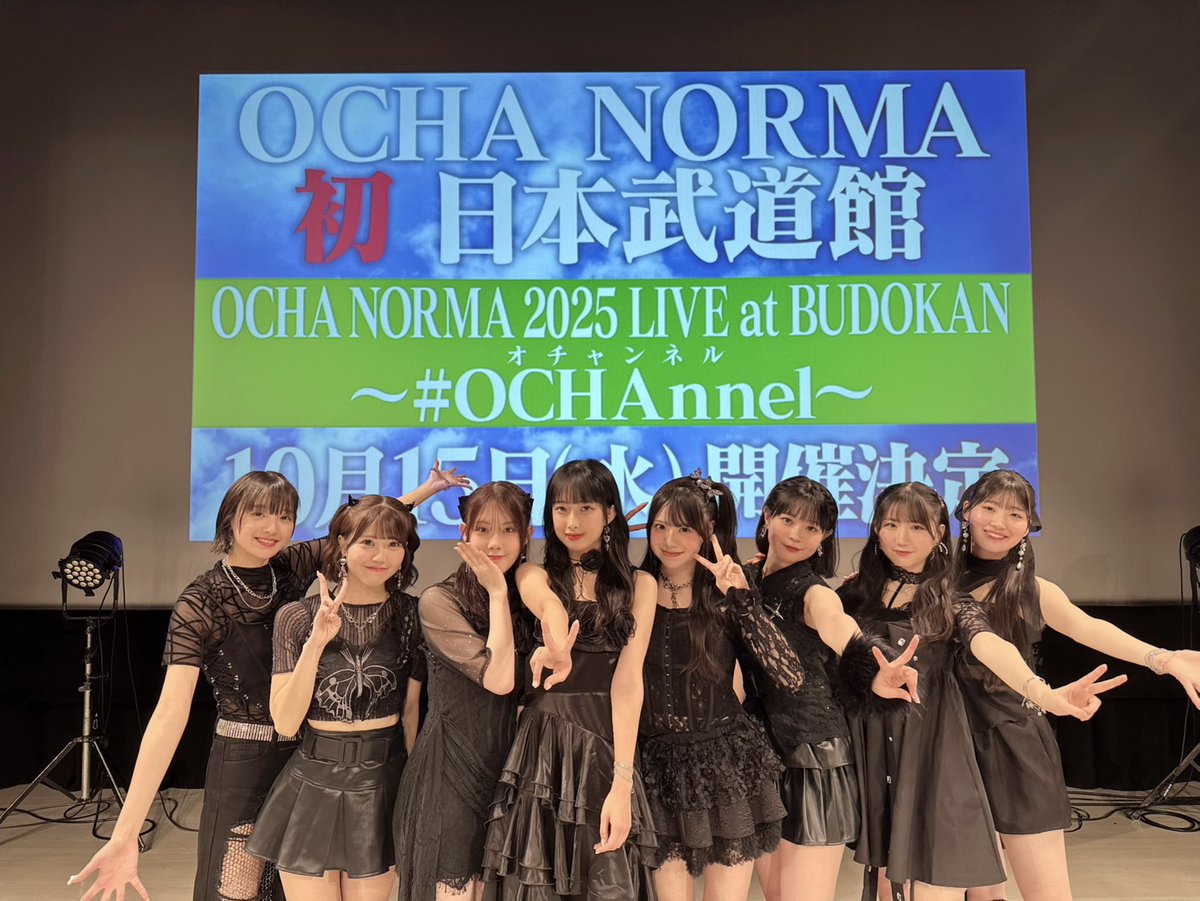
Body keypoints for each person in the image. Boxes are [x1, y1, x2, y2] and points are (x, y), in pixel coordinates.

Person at [68, 465, 467, 901]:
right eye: (257, 514)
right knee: (236, 889)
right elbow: (169, 715)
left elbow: (369, 529)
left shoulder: (290, 566)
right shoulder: (199, 603)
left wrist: (428, 489)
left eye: (284, 516)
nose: (272, 528)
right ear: (229, 518)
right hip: (245, 759)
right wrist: (125, 833)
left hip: (307, 754)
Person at [840, 482, 1125, 901]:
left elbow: (988, 643)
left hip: (956, 743)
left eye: (917, 527)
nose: (902, 538)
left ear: (939, 533)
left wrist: (1043, 693)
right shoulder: (854, 593)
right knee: (904, 879)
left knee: (963, 877)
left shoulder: (949, 597)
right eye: (892, 524)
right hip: (891, 746)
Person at [953, 469, 1200, 901]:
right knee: (982, 891)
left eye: (1015, 514)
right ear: (966, 511)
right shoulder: (935, 581)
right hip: (949, 735)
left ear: (1029, 526)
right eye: (989, 507)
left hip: (1012, 736)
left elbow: (1087, 627)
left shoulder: (1033, 590)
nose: (999, 521)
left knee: (1047, 891)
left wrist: (1162, 658)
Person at [482, 459, 660, 899]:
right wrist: (558, 643)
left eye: (585, 508)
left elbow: (628, 682)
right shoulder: (532, 573)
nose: (572, 522)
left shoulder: (641, 585)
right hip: (545, 748)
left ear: (610, 513)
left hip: (607, 746)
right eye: (561, 509)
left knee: (607, 877)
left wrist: (622, 781)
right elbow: (546, 603)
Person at [741, 476, 918, 901]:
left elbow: (840, 628)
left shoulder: (814, 592)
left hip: (814, 757)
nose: (796, 535)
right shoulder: (745, 579)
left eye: (811, 528)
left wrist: (874, 669)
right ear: (767, 517)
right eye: (787, 520)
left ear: (824, 537)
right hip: (759, 754)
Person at [637, 473, 805, 901]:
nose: (669, 540)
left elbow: (789, 674)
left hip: (726, 765)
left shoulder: (727, 591)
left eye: (684, 528)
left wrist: (743, 601)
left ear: (709, 530)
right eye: (660, 526)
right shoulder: (633, 589)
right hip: (655, 768)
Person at [247, 495, 423, 901]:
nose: (381, 555)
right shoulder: (296, 616)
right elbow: (285, 722)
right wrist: (316, 642)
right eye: (368, 542)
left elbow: (411, 714)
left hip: (384, 781)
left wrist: (414, 790)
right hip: (313, 781)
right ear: (342, 544)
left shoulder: (412, 614)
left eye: (393, 544)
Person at [394, 482, 533, 901]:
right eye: (483, 530)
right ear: (463, 533)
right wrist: (497, 594)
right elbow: (499, 679)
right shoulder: (439, 601)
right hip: (448, 772)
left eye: (508, 530)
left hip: (511, 770)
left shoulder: (530, 600)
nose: (495, 543)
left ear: (527, 536)